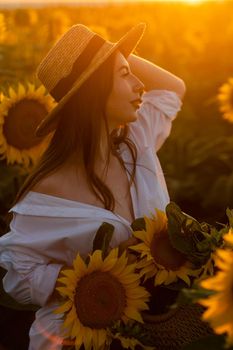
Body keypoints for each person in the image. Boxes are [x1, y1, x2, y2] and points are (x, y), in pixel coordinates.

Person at [0, 22, 186, 349]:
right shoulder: (48, 190)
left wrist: (110, 50)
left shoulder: (135, 143)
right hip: (74, 339)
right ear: (94, 90)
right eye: (125, 74)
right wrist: (101, 279)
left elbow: (173, 87)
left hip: (148, 332)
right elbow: (19, 275)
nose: (140, 84)